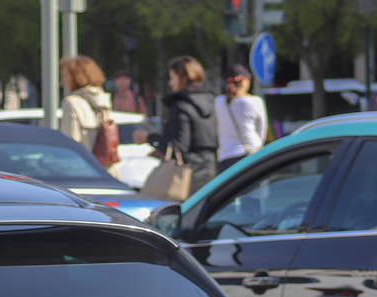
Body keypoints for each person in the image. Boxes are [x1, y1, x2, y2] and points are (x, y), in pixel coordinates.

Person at [134, 56, 218, 196]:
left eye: (173, 78)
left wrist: (148, 138)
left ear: (183, 78)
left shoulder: (181, 107)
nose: (171, 83)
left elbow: (178, 147)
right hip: (209, 172)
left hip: (186, 178)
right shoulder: (211, 101)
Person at [59, 55, 120, 178]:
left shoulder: (71, 103)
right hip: (108, 170)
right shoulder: (103, 99)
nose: (62, 81)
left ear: (76, 78)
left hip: (83, 173)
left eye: (65, 76)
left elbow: (70, 144)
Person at [216, 65, 267, 172]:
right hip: (250, 154)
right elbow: (262, 131)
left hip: (226, 156)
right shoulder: (255, 101)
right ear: (245, 81)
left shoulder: (219, 102)